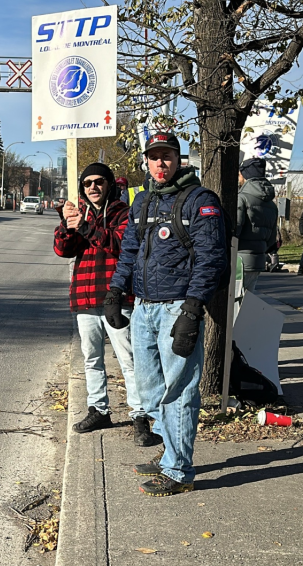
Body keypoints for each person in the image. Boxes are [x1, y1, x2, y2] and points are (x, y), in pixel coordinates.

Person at [106, 132, 228, 497]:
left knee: (179, 391)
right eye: (154, 157)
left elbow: (211, 258)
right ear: (146, 160)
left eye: (167, 157)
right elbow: (129, 250)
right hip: (144, 308)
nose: (161, 164)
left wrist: (193, 309)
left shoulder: (200, 201)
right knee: (149, 390)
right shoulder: (142, 200)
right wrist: (115, 290)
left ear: (179, 159)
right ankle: (169, 455)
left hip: (178, 307)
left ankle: (178, 470)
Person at [54, 163, 159, 447]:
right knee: (91, 359)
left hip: (116, 298)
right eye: (87, 183)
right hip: (85, 298)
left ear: (110, 184)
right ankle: (98, 410)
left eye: (99, 181)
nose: (93, 187)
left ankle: (140, 416)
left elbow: (120, 244)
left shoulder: (123, 213)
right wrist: (67, 224)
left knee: (129, 359)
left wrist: (87, 227)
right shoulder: (79, 213)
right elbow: (63, 250)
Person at [236, 158, 279, 292]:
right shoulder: (271, 204)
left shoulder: (241, 198)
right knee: (247, 303)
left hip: (239, 261)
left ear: (244, 175)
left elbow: (234, 230)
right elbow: (272, 238)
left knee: (234, 305)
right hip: (258, 260)